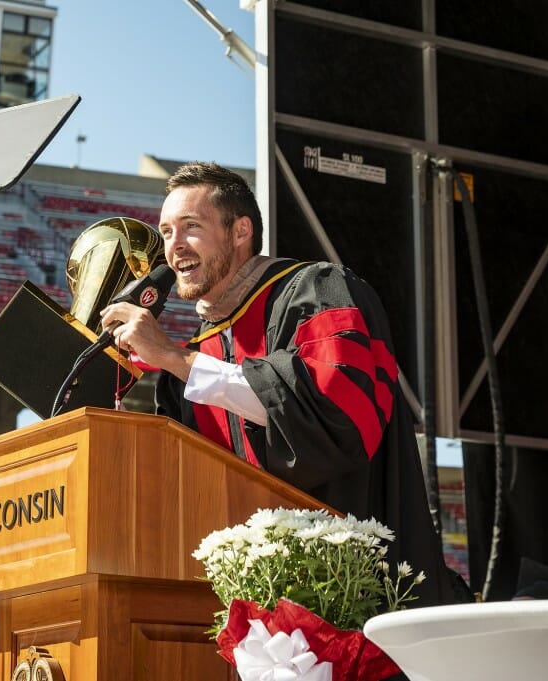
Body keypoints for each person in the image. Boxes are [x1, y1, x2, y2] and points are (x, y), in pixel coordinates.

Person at [99, 161, 464, 607]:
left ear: (240, 231)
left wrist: (177, 358)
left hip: (354, 594)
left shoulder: (319, 291)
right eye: (167, 231)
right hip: (243, 610)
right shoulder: (191, 364)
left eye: (190, 227)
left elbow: (334, 419)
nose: (174, 248)